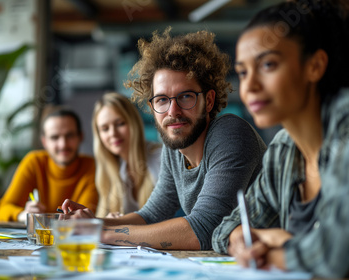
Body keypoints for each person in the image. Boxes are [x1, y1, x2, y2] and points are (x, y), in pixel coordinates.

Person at [212, 0, 349, 277]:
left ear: (314, 66)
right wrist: (241, 241)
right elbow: (223, 230)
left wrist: (279, 247)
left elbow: (336, 259)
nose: (250, 86)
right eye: (243, 72)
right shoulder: (283, 150)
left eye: (268, 64)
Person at [62, 28, 267, 250]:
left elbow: (204, 229)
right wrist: (92, 222)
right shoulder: (174, 148)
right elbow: (150, 215)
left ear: (208, 101)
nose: (173, 111)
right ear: (151, 107)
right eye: (162, 100)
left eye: (186, 96)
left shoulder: (230, 133)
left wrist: (101, 232)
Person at [0, 107, 99, 222]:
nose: (63, 144)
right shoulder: (33, 162)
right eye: (55, 137)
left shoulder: (93, 167)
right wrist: (24, 215)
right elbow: (2, 209)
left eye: (69, 136)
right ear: (44, 141)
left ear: (80, 137)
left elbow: (82, 217)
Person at [92, 92, 161, 218]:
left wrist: (115, 224)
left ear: (133, 123)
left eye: (120, 124)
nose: (113, 133)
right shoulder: (113, 168)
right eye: (105, 129)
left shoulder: (160, 158)